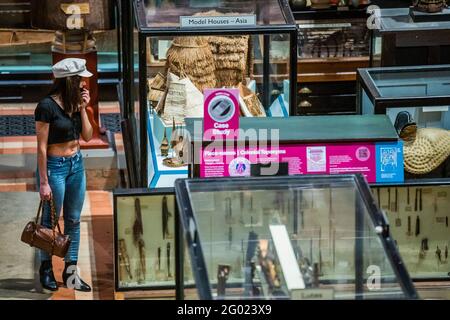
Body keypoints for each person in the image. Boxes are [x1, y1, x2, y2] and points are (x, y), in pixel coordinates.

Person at [34, 58, 94, 292]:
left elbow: (87, 137)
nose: (84, 85)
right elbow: (41, 147)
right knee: (49, 222)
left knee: (73, 220)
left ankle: (71, 273)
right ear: (70, 81)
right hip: (55, 167)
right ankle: (46, 269)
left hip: (76, 166)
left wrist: (83, 108)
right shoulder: (46, 106)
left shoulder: (75, 104)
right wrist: (44, 182)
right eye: (80, 80)